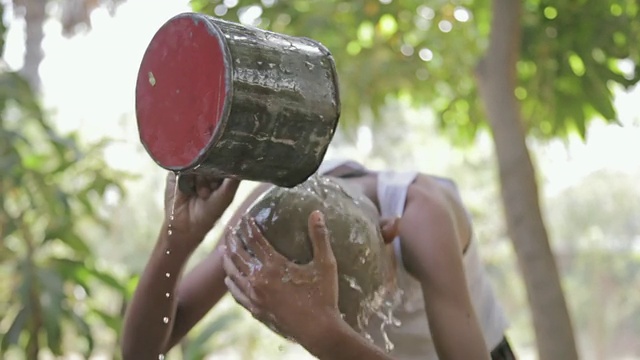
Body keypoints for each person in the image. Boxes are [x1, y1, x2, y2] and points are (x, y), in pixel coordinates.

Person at [121, 160, 515, 360]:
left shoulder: (421, 218)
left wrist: (323, 332)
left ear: (387, 231)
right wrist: (177, 239)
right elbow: (143, 351)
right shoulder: (267, 214)